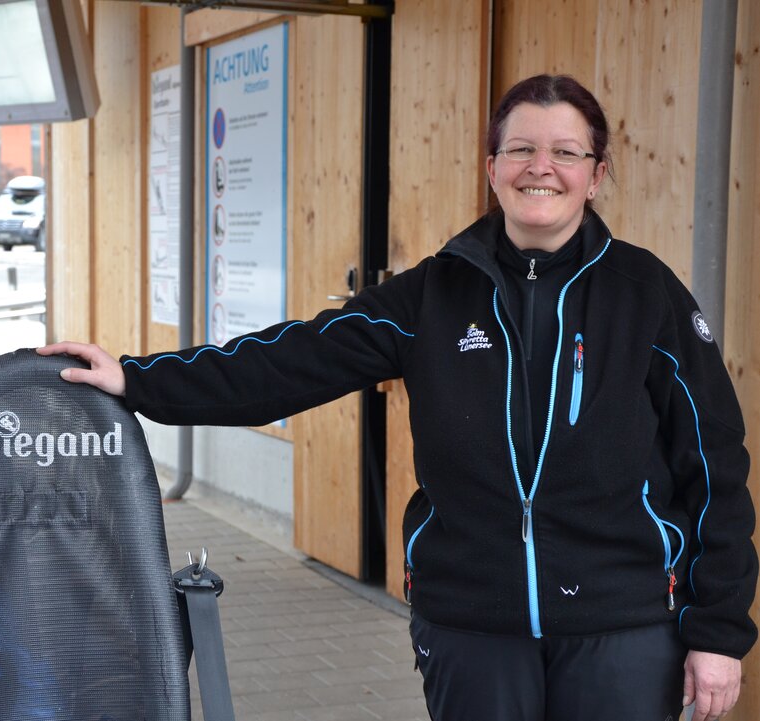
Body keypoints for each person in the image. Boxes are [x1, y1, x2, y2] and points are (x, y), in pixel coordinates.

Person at [38, 74, 757, 721]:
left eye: (566, 152)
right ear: (491, 168)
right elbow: (290, 361)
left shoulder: (645, 294)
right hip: (471, 622)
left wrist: (717, 634)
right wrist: (137, 380)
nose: (542, 167)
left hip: (622, 625)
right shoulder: (431, 295)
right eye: (521, 150)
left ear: (596, 175)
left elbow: (714, 466)